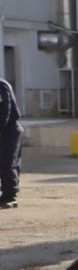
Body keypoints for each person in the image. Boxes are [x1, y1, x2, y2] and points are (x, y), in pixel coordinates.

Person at [0, 75, 19, 209]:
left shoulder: (1, 85)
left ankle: (10, 196)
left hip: (8, 131)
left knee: (6, 162)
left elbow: (4, 112)